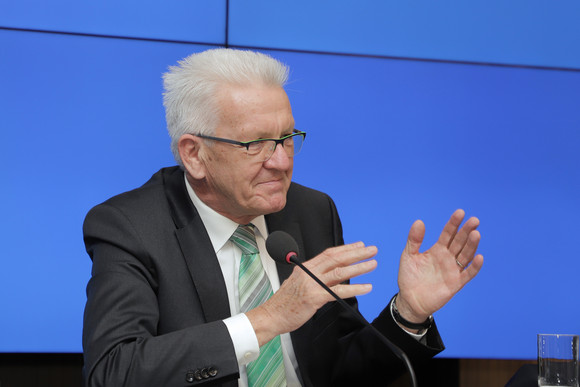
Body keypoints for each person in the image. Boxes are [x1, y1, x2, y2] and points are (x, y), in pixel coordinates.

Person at [82, 48, 483, 387]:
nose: (281, 162)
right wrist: (267, 320)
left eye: (287, 138)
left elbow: (342, 373)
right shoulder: (130, 226)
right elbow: (114, 370)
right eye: (256, 144)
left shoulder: (311, 211)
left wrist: (409, 314)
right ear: (193, 154)